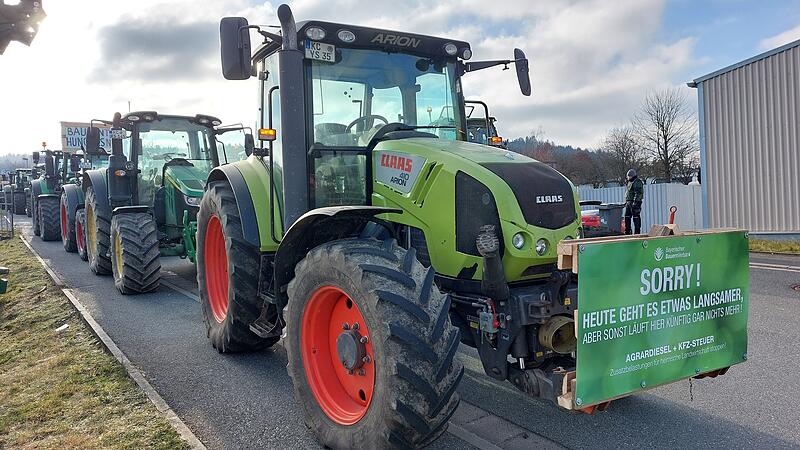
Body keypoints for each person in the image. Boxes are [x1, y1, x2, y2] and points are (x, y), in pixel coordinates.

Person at [624, 169, 644, 235]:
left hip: (635, 203)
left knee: (636, 217)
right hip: (629, 202)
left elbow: (638, 193)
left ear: (632, 176)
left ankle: (637, 233)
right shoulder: (630, 182)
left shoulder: (637, 182)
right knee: (627, 217)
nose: (628, 178)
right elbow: (629, 193)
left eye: (629, 176)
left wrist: (635, 203)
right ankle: (627, 232)